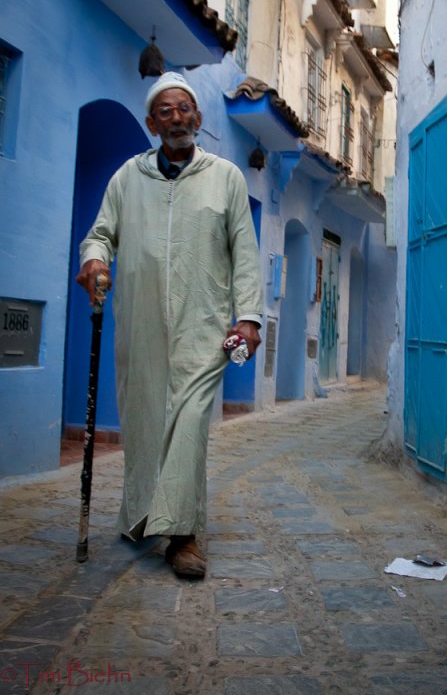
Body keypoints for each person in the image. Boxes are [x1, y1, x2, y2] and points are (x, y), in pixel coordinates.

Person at [76, 72, 262, 578]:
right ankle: (140, 514)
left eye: (184, 109)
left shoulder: (226, 177)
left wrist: (248, 317)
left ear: (199, 118)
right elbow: (100, 235)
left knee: (189, 424)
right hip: (139, 325)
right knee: (142, 424)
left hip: (204, 327)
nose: (176, 117)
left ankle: (182, 537)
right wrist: (94, 261)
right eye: (165, 110)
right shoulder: (126, 178)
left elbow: (245, 253)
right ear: (151, 122)